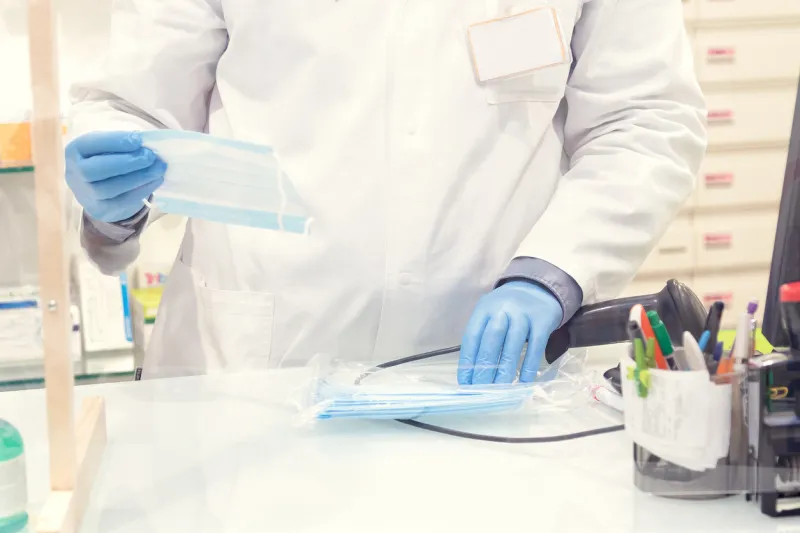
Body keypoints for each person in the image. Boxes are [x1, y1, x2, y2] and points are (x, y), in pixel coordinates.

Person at [65, 0, 706, 382]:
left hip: (493, 379)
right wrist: (113, 195)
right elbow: (132, 105)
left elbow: (645, 117)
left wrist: (554, 271)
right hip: (256, 376)